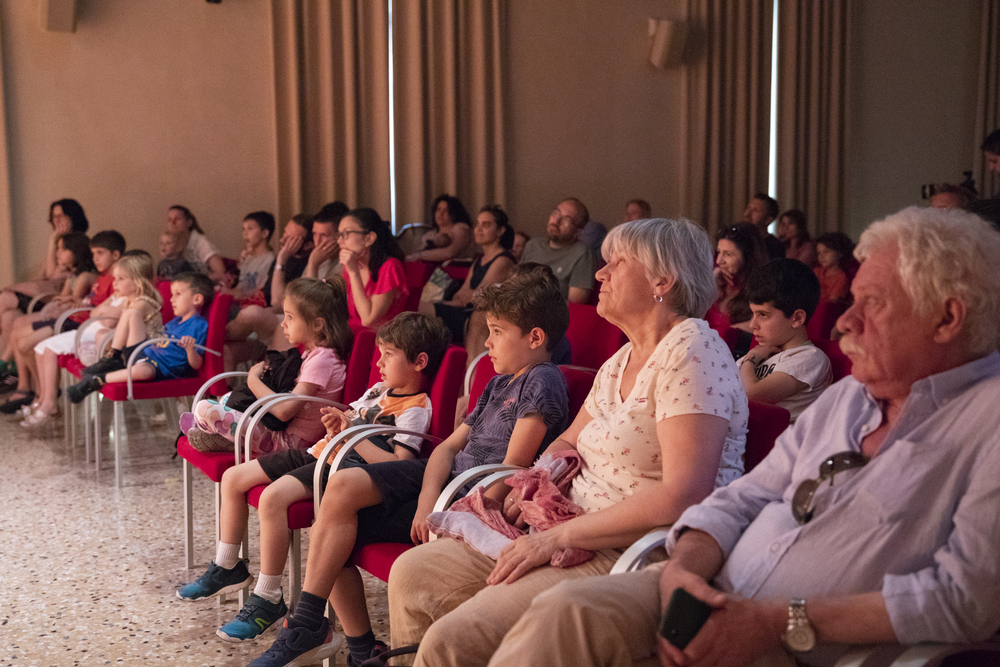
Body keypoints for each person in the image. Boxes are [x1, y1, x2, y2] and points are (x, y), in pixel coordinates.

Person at [489, 205, 1000, 667]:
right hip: (712, 591)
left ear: (947, 318)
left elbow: (963, 600)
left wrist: (777, 621)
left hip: (798, 645)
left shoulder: (987, 423)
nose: (844, 321)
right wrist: (683, 573)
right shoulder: (851, 399)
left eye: (873, 303)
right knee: (566, 616)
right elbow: (744, 496)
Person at [387, 218, 748, 667]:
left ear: (662, 280)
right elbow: (565, 442)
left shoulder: (693, 350)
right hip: (563, 523)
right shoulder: (622, 359)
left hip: (623, 548)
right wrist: (531, 485)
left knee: (454, 638)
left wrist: (552, 536)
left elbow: (684, 494)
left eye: (616, 263)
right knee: (412, 573)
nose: (600, 274)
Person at [247, 271, 572, 667]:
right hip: (445, 481)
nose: (486, 342)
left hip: (473, 496)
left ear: (535, 339)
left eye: (497, 331)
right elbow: (447, 448)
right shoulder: (499, 383)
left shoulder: (542, 381)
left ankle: (334, 636)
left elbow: (511, 469)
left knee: (333, 532)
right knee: (339, 494)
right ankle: (330, 631)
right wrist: (425, 501)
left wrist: (446, 511)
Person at [176, 312, 450, 643]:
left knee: (272, 498)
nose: (379, 363)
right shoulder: (380, 389)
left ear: (419, 362)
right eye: (380, 353)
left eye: (389, 355)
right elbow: (350, 416)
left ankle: (267, 597)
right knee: (243, 482)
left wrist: (353, 433)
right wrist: (340, 423)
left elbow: (399, 463)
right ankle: (235, 572)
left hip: (343, 468)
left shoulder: (416, 408)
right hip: (319, 454)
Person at [180, 277, 351, 457]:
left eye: (290, 317)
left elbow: (283, 412)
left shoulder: (322, 360)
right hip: (281, 432)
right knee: (228, 398)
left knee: (203, 408)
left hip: (288, 442)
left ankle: (219, 436)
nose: (283, 323)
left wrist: (253, 380)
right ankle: (216, 433)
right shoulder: (316, 353)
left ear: (317, 325)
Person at [0, 231, 125, 416]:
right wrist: (71, 302)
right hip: (72, 320)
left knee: (25, 342)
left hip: (76, 324)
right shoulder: (101, 277)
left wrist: (77, 304)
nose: (95, 258)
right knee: (19, 334)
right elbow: (83, 301)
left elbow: (104, 311)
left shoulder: (112, 279)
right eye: (94, 253)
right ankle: (41, 394)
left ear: (115, 255)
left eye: (100, 253)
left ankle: (43, 394)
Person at [65, 271, 211, 403]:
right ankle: (113, 357)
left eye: (177, 294)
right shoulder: (176, 321)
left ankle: (97, 380)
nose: (172, 300)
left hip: (161, 368)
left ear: (197, 298)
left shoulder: (199, 325)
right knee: (132, 312)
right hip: (144, 354)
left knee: (144, 372)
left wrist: (190, 349)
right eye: (172, 295)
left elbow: (196, 364)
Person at [737, 259, 831, 423]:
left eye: (763, 315)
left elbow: (751, 394)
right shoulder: (764, 351)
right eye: (753, 314)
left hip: (770, 443)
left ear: (797, 318)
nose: (753, 325)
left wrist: (750, 359)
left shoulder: (810, 358)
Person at [0, 198, 89, 370]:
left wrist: (53, 240)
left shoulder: (78, 245)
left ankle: (5, 363)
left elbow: (51, 281)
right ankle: (14, 368)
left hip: (52, 304)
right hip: (43, 300)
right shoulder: (60, 245)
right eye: (54, 217)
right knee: (8, 316)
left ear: (73, 216)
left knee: (4, 298)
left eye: (61, 216)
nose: (57, 221)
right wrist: (53, 241)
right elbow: (41, 278)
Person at [224, 214, 314, 354]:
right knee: (226, 351)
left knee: (251, 313)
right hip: (268, 316)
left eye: (290, 239)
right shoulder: (280, 258)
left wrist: (281, 261)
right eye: (284, 233)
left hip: (285, 318)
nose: (282, 239)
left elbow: (277, 304)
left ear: (308, 244)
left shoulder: (306, 263)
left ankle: (212, 338)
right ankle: (212, 340)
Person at [427, 205, 516, 344]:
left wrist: (455, 301)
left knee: (419, 310)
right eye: (477, 224)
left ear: (500, 231)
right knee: (418, 309)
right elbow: (461, 294)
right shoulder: (479, 260)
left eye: (485, 225)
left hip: (475, 317)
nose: (478, 229)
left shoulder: (503, 260)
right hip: (462, 309)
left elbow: (478, 296)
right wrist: (448, 302)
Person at [70, 254, 164, 380]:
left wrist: (105, 310)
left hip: (147, 351)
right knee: (101, 333)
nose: (115, 284)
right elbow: (93, 314)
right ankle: (108, 361)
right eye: (114, 278)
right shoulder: (127, 300)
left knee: (114, 326)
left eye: (121, 279)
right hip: (131, 346)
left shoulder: (143, 302)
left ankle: (112, 359)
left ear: (138, 282)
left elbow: (118, 320)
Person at [338, 208, 409, 329]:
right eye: (339, 234)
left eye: (346, 234)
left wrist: (354, 273)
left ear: (369, 238)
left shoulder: (390, 266)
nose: (339, 241)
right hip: (352, 333)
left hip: (379, 340)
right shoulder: (352, 266)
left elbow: (368, 320)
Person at [708, 223, 769, 357]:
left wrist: (724, 333)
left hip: (737, 355)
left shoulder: (761, 287)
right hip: (709, 351)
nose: (719, 261)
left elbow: (760, 326)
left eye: (728, 254)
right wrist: (710, 282)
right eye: (719, 252)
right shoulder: (717, 282)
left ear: (748, 258)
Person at [520, 197, 596, 303]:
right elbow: (516, 282)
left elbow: (574, 303)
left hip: (550, 315)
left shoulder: (582, 253)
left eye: (566, 220)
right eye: (556, 213)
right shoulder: (533, 245)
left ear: (578, 231)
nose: (556, 221)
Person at [226, 211, 276, 307]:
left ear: (264, 233)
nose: (245, 233)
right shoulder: (248, 258)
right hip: (239, 303)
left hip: (254, 306)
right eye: (243, 229)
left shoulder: (269, 261)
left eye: (250, 228)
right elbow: (240, 287)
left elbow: (261, 294)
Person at [165, 205, 226, 284]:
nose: (173, 223)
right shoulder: (170, 243)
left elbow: (220, 273)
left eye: (178, 219)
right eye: (170, 220)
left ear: (189, 222)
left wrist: (194, 283)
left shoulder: (200, 242)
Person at [407, 194, 475, 263]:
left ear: (454, 213)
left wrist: (420, 255)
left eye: (446, 210)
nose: (440, 213)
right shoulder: (430, 235)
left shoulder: (461, 228)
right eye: (438, 209)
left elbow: (450, 253)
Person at [813, 232, 857, 304]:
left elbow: (832, 304)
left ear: (840, 253)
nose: (821, 256)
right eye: (819, 253)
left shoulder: (841, 278)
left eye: (826, 251)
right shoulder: (817, 271)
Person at [743, 193, 785, 260]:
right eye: (748, 208)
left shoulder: (774, 247)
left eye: (755, 210)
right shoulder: (738, 240)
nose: (747, 214)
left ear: (768, 220)